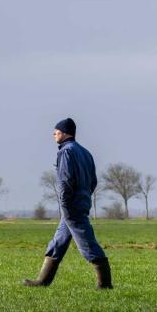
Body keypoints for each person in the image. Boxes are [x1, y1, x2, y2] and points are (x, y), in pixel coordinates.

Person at [24, 118, 113, 289]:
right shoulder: (85, 152)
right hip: (81, 203)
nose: (53, 134)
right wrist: (84, 197)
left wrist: (65, 204)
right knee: (58, 242)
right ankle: (43, 281)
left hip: (71, 206)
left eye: (56, 132)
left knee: (87, 242)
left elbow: (65, 181)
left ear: (65, 133)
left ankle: (105, 284)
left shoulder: (66, 152)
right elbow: (93, 181)